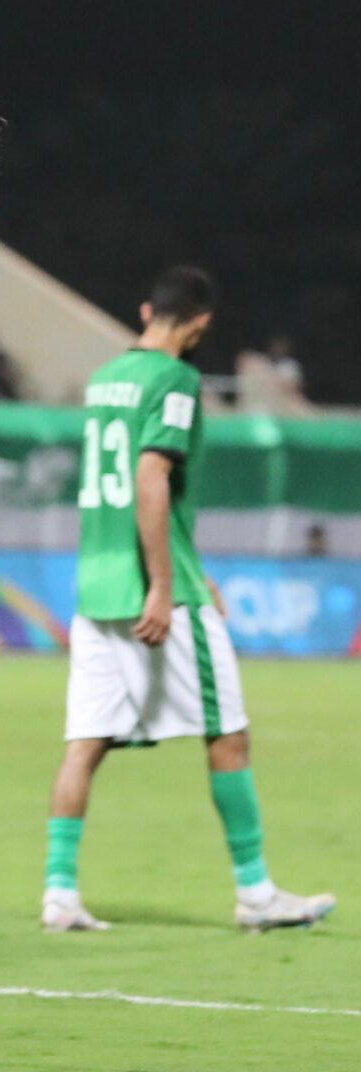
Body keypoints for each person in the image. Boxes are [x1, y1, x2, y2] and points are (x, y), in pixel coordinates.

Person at [41, 266, 334, 934]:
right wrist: (166, 585)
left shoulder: (105, 378)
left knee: (85, 744)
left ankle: (59, 895)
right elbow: (151, 476)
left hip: (96, 586)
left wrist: (189, 569)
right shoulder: (176, 380)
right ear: (200, 323)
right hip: (153, 592)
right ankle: (256, 892)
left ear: (148, 311)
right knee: (227, 733)